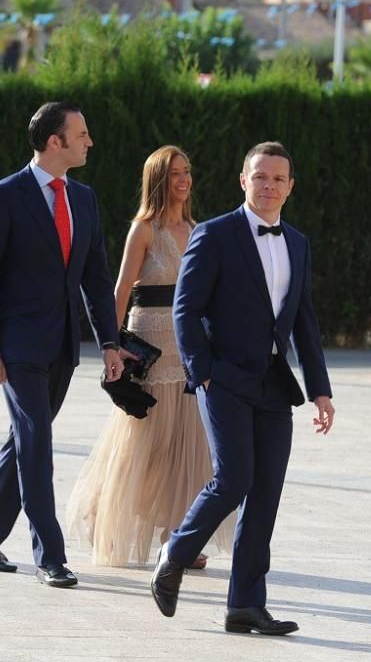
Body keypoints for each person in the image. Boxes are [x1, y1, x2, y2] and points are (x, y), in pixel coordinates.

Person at [150, 142, 335, 635]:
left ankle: (246, 604)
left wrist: (320, 388)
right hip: (224, 378)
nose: (269, 185)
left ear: (290, 186)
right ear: (243, 180)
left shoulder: (297, 242)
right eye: (260, 177)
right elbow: (185, 309)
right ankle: (176, 553)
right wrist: (202, 370)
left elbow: (305, 322)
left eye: (278, 178)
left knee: (266, 493)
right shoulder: (214, 235)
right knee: (234, 478)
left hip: (274, 385)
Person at [0, 101, 126, 589]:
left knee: (23, 442)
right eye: (81, 134)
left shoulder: (86, 199)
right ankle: (49, 555)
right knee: (37, 442)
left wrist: (110, 344)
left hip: (62, 347)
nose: (89, 141)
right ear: (55, 141)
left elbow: (96, 280)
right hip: (16, 347)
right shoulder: (3, 195)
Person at [65, 145, 234, 568]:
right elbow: (120, 289)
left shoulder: (198, 230)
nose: (184, 180)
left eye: (187, 172)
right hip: (149, 343)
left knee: (189, 443)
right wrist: (111, 344)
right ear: (158, 179)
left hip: (188, 345)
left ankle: (177, 535)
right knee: (148, 442)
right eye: (175, 173)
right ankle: (107, 511)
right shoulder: (144, 229)